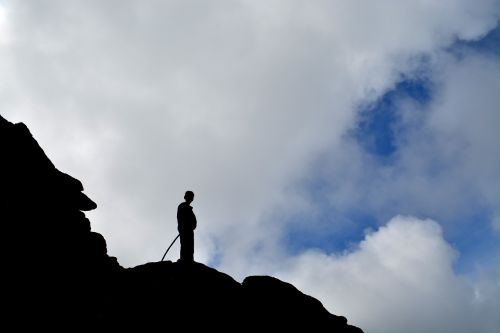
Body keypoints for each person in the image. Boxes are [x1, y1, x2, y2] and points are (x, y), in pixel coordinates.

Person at [177, 190, 197, 262]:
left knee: (190, 245)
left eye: (191, 197)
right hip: (184, 229)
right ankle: (184, 259)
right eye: (189, 196)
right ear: (185, 197)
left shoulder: (189, 208)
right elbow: (181, 218)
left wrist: (193, 225)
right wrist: (184, 226)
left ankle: (190, 259)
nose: (190, 198)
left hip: (189, 229)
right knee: (185, 244)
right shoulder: (182, 206)